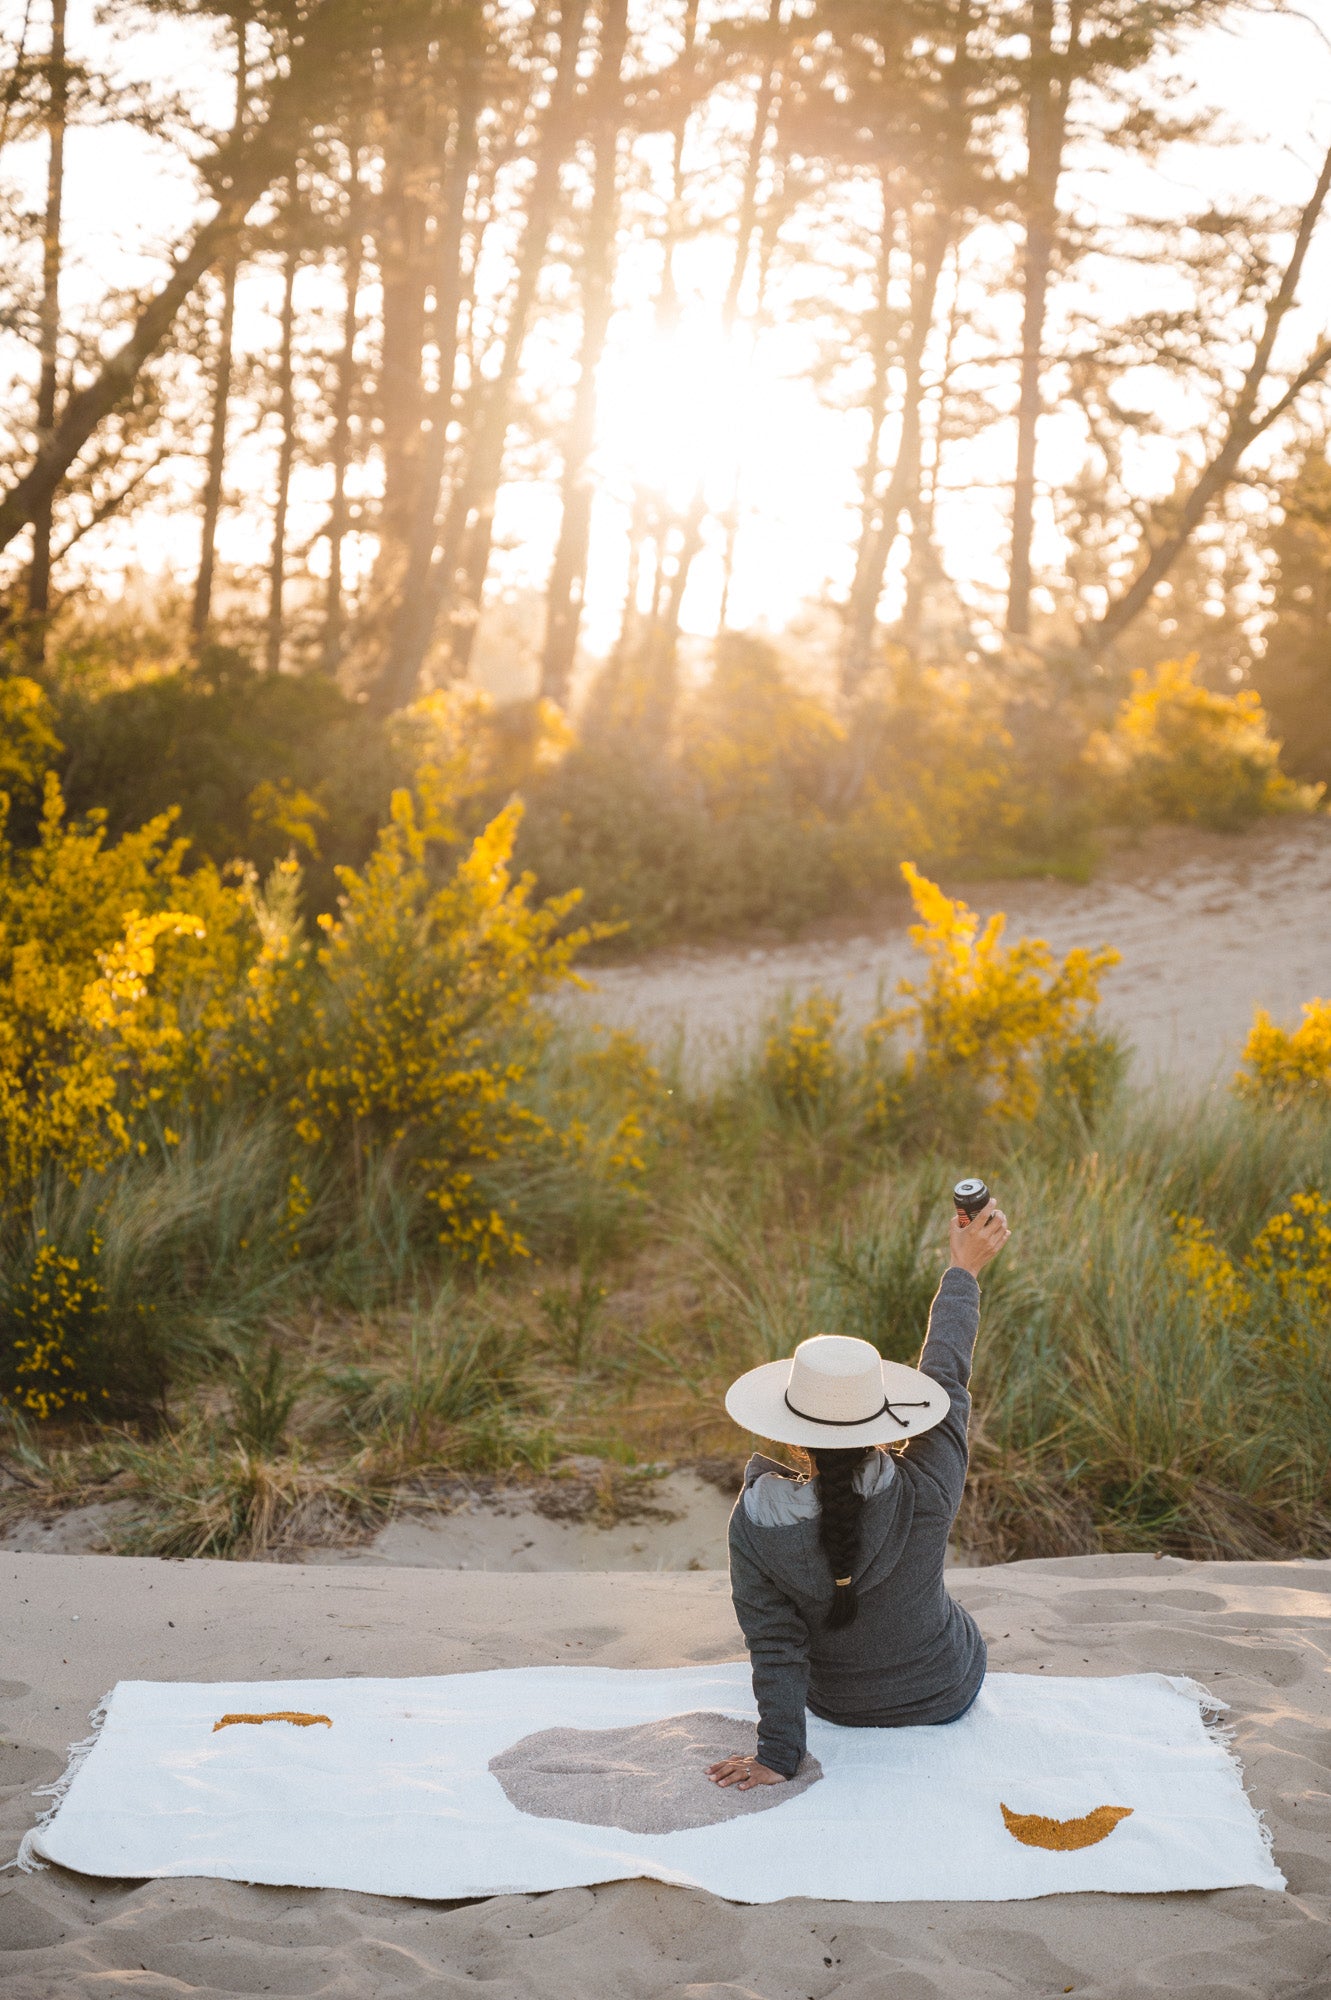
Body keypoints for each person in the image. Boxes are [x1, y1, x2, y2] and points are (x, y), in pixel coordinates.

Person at [708, 1196, 1010, 1791]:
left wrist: (777, 1757)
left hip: (839, 1706)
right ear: (884, 1422)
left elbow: (775, 1647)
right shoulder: (928, 1483)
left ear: (792, 1432)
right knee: (955, 1620)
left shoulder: (755, 1524)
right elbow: (947, 1370)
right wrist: (963, 1270)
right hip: (947, 1689)